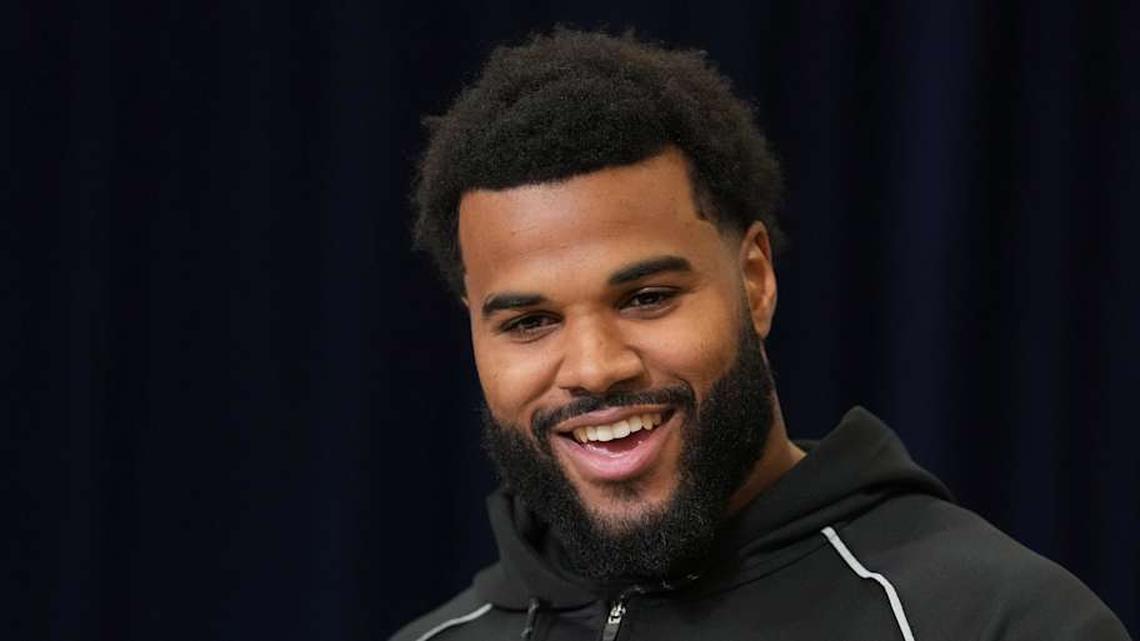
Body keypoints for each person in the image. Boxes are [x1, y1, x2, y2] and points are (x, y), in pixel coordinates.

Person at [392, 29, 1131, 641]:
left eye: (647, 297)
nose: (593, 367)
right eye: (530, 322)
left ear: (755, 281)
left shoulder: (997, 621)